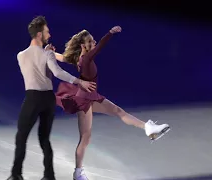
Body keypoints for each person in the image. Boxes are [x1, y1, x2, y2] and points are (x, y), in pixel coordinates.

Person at [51, 26, 171, 180]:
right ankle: (78, 173)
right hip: (84, 101)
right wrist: (110, 33)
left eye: (93, 40)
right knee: (85, 137)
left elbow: (62, 57)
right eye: (90, 41)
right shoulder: (86, 58)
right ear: (83, 45)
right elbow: (100, 46)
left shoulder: (78, 58)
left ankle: (149, 128)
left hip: (92, 96)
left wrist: (48, 52)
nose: (93, 42)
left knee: (117, 112)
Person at [7, 16, 97, 180]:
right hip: (48, 99)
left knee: (21, 137)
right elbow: (56, 72)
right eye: (47, 31)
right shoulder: (48, 54)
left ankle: (16, 175)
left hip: (33, 98)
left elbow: (36, 66)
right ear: (40, 34)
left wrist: (48, 53)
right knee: (44, 139)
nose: (50, 34)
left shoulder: (21, 55)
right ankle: (49, 176)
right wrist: (79, 81)